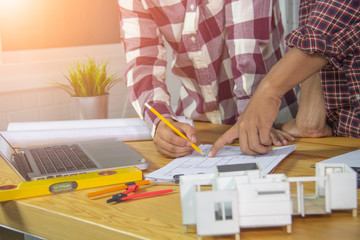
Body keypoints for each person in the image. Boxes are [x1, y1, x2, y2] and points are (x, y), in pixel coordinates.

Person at [118, 0, 299, 158]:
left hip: (273, 122)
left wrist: (253, 118)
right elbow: (142, 61)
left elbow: (246, 47)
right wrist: (162, 122)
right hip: (200, 128)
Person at [209, 0, 360, 156]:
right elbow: (317, 34)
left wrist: (267, 93)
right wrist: (308, 118)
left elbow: (332, 22)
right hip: (341, 140)